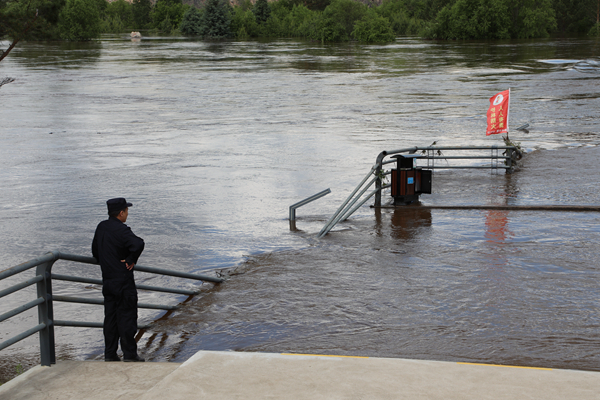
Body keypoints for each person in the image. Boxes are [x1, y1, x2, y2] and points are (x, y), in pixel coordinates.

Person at [92, 198, 145, 362]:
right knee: (127, 318)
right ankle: (130, 355)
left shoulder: (101, 227)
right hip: (123, 282)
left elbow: (95, 252)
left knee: (111, 319)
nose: (127, 214)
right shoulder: (122, 230)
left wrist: (108, 259)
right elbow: (138, 243)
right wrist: (130, 259)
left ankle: (110, 354)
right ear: (121, 213)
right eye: (126, 211)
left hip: (108, 281)